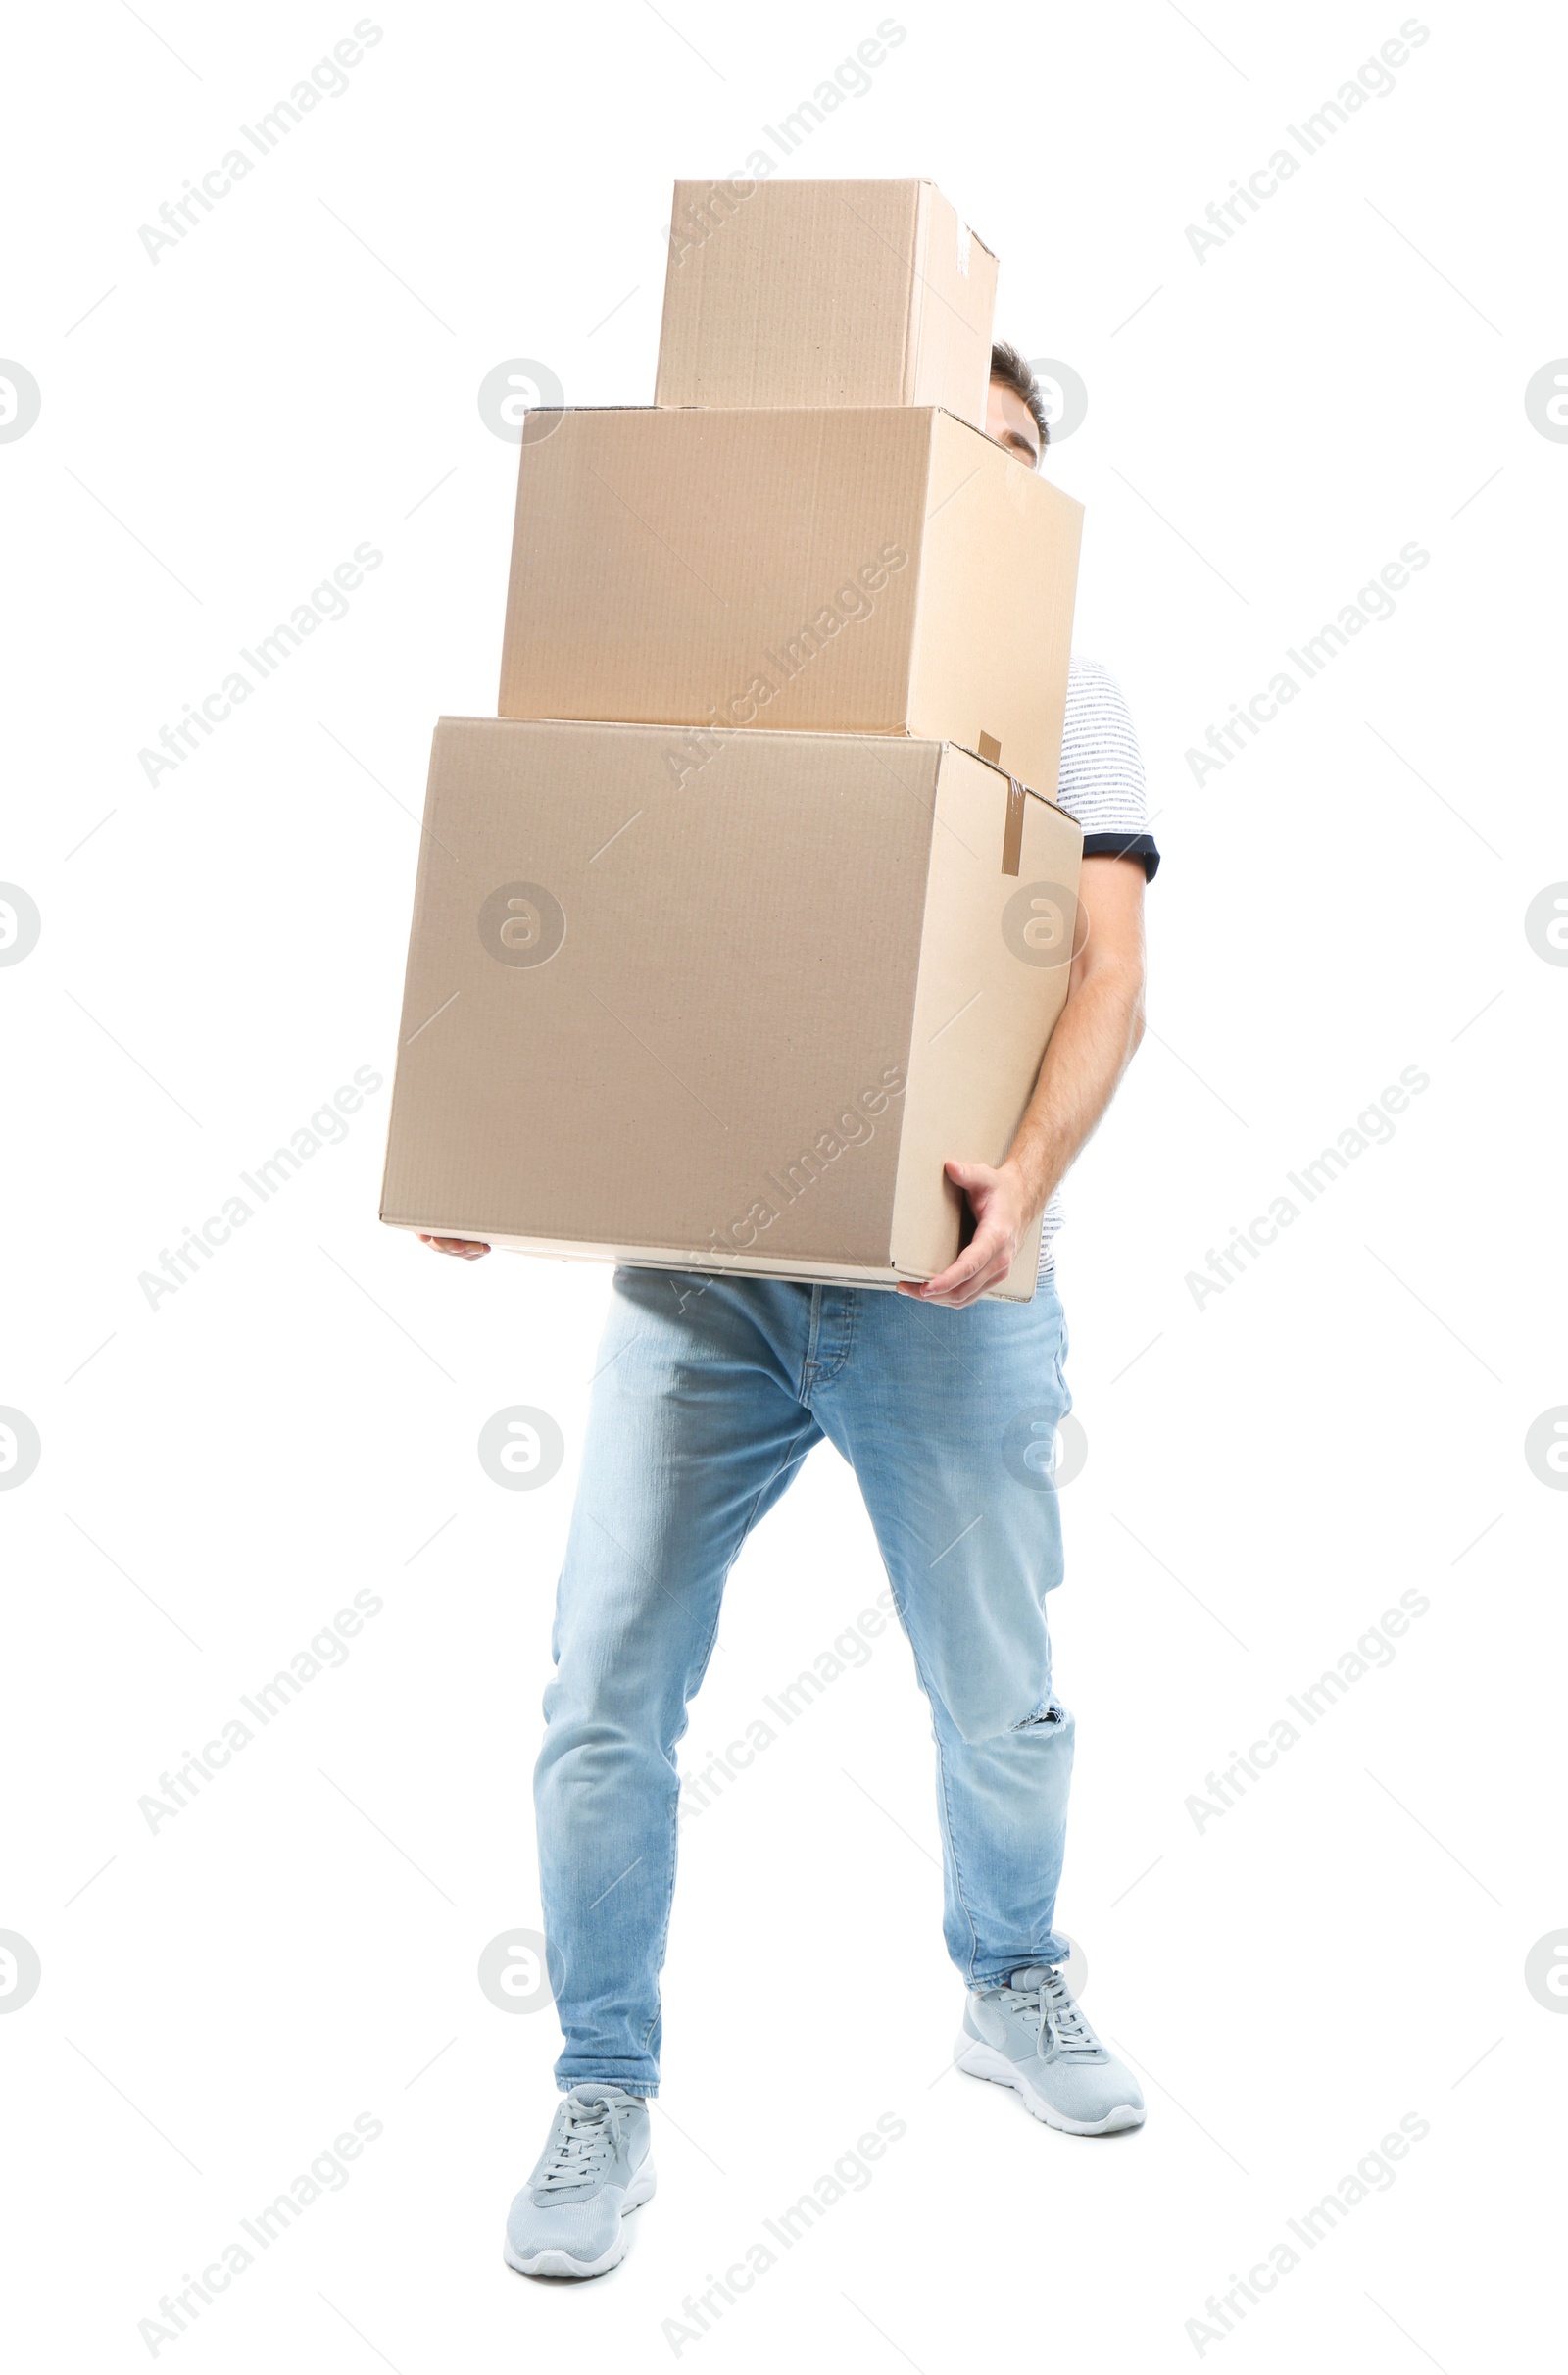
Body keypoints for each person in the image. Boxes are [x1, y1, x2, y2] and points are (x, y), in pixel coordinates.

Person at [422, 342, 1161, 2281]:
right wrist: (501, 1139)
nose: (970, 485)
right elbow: (593, 887)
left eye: (1008, 456)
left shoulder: (1062, 697)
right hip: (705, 1292)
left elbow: (1106, 974)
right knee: (602, 1693)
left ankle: (1011, 1979)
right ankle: (602, 2084)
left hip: (944, 1283)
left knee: (995, 1687)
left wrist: (1025, 1178)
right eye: (939, 451)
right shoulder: (735, 656)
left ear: (1039, 493)